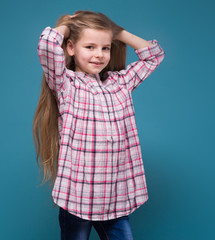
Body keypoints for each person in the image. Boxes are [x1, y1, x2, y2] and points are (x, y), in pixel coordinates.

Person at [33, 10, 165, 240]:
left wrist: (118, 32)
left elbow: (154, 55)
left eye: (105, 47)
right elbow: (47, 44)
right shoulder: (66, 84)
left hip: (114, 199)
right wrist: (68, 24)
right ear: (71, 48)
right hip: (77, 198)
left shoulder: (120, 83)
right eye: (90, 47)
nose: (99, 55)